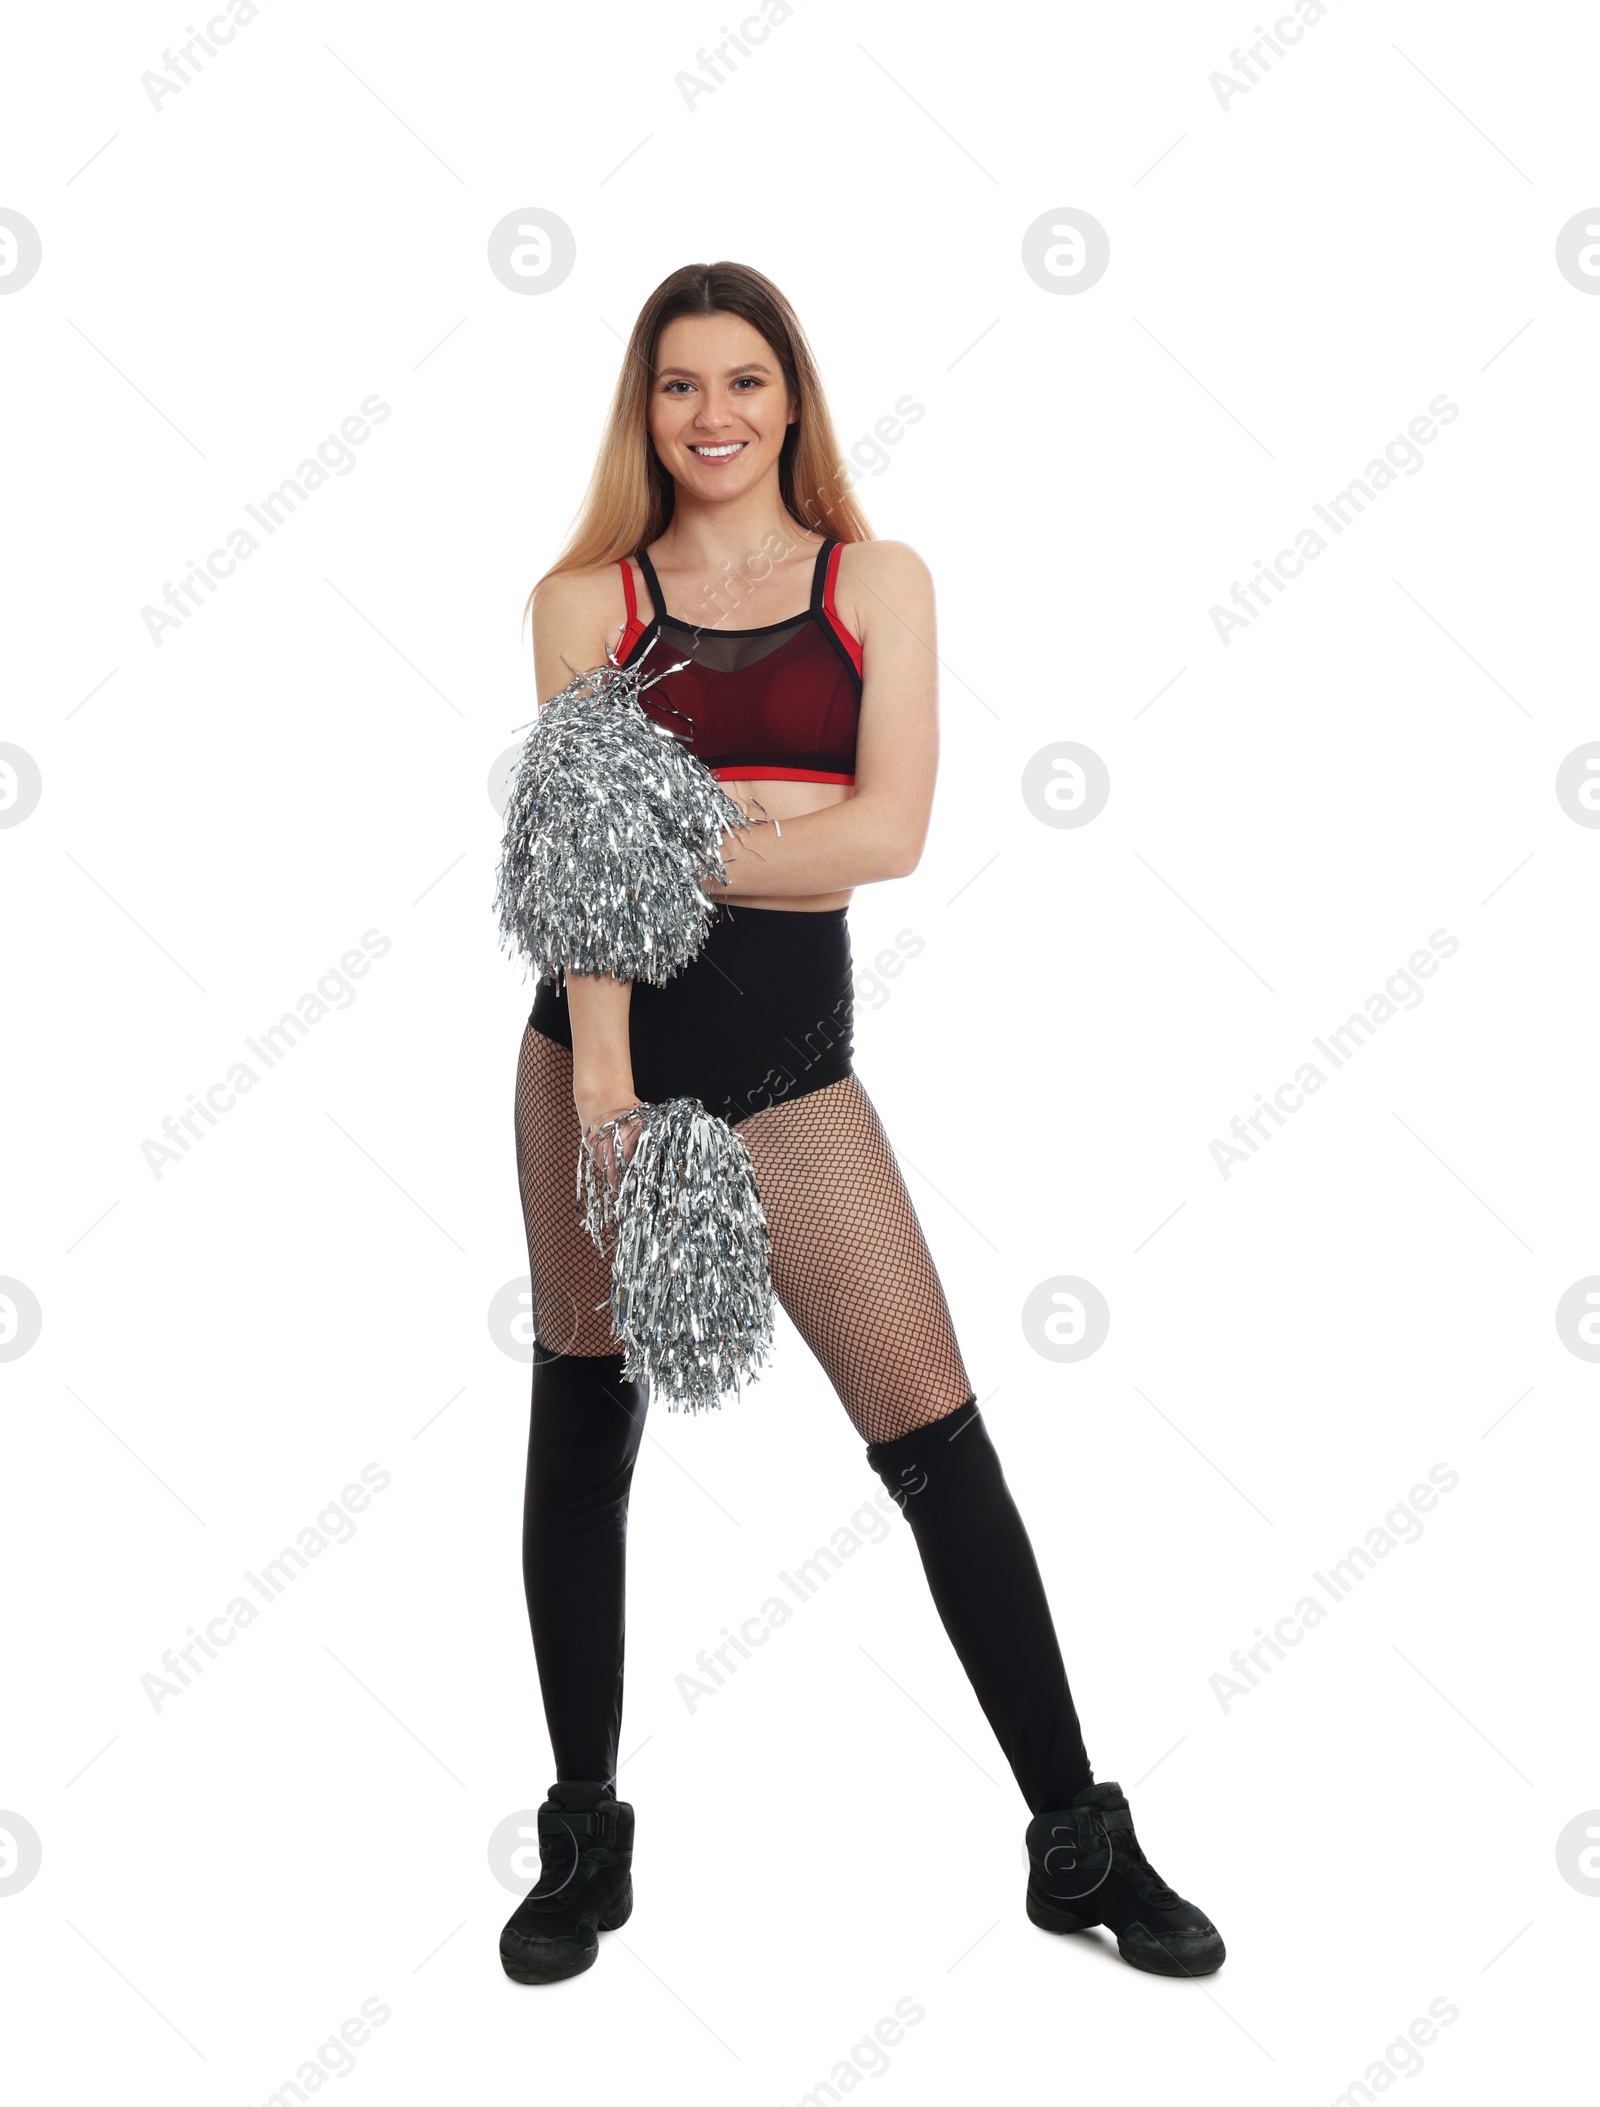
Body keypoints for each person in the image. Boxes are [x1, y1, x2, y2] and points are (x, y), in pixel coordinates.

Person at [501, 261, 1225, 1986]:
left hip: (790, 1080)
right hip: (591, 1059)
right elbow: (572, 877)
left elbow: (888, 834)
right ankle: (581, 1840)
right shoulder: (579, 600)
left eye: (745, 382)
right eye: (680, 387)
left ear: (794, 398)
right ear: (645, 409)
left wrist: (666, 831)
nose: (715, 417)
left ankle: (1079, 1840)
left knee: (935, 1438)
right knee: (584, 1420)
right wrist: (604, 1077)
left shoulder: (875, 585)